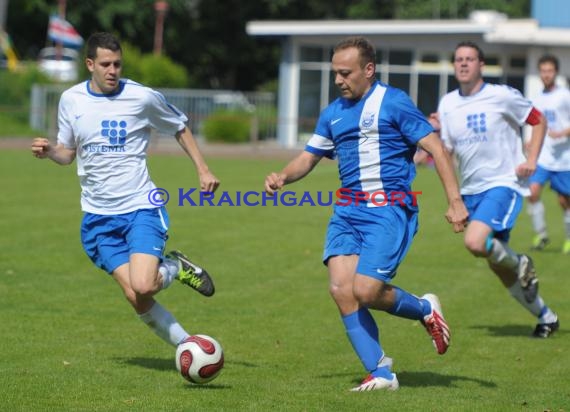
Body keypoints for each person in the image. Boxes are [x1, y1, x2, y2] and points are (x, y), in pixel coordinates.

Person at [264, 36, 469, 392]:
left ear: (368, 70)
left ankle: (423, 309)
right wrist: (283, 175)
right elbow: (309, 156)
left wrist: (455, 201)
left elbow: (435, 146)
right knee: (342, 289)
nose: (339, 80)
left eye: (346, 73)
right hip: (347, 211)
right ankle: (382, 373)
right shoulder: (334, 113)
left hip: (388, 208)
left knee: (367, 290)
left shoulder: (394, 102)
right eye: (335, 74)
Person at [31, 32, 220, 349]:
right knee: (137, 296)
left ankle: (175, 266)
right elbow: (67, 153)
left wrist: (203, 168)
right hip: (98, 218)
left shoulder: (141, 97)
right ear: (90, 64)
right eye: (105, 64)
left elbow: (179, 126)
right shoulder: (71, 100)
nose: (112, 70)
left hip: (139, 208)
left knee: (144, 283)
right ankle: (190, 348)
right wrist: (50, 150)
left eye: (117, 64)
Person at [437, 41, 559, 339]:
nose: (463, 63)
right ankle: (546, 316)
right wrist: (454, 201)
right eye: (459, 59)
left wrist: (531, 159)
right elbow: (446, 152)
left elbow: (538, 120)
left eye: (470, 59)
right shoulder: (447, 103)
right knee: (497, 266)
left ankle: (521, 261)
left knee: (476, 242)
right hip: (471, 191)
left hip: (503, 183)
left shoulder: (501, 96)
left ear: (481, 65)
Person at [526, 54, 570, 254]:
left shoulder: (565, 95)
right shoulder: (536, 98)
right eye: (543, 71)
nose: (546, 75)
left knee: (564, 201)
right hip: (543, 156)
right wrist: (530, 140)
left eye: (549, 71)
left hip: (563, 158)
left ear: (556, 73)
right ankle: (541, 234)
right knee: (532, 192)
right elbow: (534, 123)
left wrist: (562, 132)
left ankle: (568, 238)